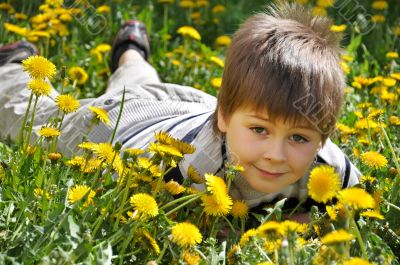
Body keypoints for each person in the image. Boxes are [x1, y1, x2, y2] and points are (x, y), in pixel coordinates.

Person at [0, 2, 360, 213]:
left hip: (183, 107)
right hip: (118, 128)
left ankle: (130, 54)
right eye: (260, 130)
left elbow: (359, 204)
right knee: (27, 120)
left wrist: (307, 221)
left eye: (298, 137)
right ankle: (15, 68)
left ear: (323, 139)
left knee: (140, 86)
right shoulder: (189, 170)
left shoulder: (331, 169)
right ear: (225, 118)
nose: (276, 155)